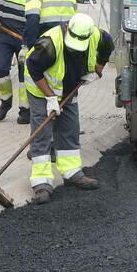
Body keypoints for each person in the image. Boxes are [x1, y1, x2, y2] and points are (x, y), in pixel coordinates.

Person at [24, 11, 114, 205]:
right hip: (41, 89)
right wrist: (50, 98)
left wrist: (99, 67)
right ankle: (41, 182)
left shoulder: (97, 36)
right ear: (67, 30)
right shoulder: (49, 43)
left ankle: (72, 172)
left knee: (70, 128)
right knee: (42, 133)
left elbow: (108, 45)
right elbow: (33, 68)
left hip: (69, 88)